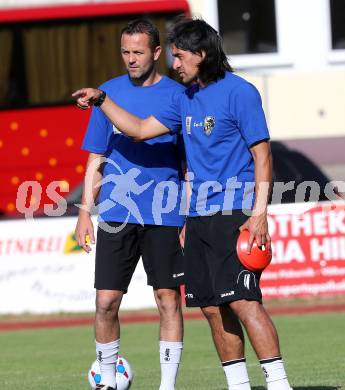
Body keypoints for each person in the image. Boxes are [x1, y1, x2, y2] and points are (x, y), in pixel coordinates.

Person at [73, 17, 293, 390]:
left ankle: (278, 383)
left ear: (201, 55)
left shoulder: (240, 92)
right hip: (198, 216)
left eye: (179, 57)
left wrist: (258, 215)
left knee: (243, 301)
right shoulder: (185, 98)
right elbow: (140, 130)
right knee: (210, 307)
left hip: (234, 213)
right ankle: (238, 385)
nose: (174, 65)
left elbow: (263, 156)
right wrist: (103, 99)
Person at [75, 19, 185, 390]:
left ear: (157, 52)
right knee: (106, 302)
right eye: (125, 52)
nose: (131, 59)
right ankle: (107, 381)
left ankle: (167, 386)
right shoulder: (107, 92)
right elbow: (96, 158)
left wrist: (186, 214)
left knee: (167, 298)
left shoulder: (177, 95)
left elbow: (187, 163)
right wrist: (85, 214)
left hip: (165, 212)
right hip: (117, 215)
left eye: (138, 52)